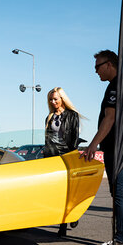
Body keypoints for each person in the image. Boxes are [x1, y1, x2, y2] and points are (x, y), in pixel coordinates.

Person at [81, 50, 123, 245]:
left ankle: (121, 239)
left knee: (119, 190)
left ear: (109, 64)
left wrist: (93, 143)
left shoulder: (116, 86)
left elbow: (109, 118)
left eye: (97, 66)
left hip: (118, 146)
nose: (95, 71)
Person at [44, 87, 80, 236]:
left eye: (56, 99)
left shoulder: (72, 115)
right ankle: (63, 224)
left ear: (62, 99)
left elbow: (75, 139)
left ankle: (71, 217)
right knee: (57, 193)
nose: (53, 102)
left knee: (68, 192)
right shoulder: (49, 117)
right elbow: (47, 139)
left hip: (66, 157)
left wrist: (71, 156)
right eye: (51, 99)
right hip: (53, 158)